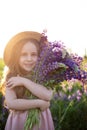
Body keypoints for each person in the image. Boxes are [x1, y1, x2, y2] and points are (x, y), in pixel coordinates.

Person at [2, 31, 54, 130]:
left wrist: (24, 81)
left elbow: (47, 95)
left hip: (41, 122)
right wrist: (39, 103)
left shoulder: (43, 76)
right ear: (16, 57)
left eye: (33, 54)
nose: (29, 59)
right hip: (20, 122)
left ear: (40, 56)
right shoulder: (11, 77)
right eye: (24, 54)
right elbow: (11, 103)